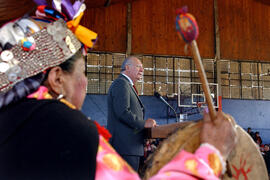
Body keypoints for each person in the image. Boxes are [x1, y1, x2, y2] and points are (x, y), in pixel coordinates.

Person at [0, 1, 237, 179]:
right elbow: (124, 113)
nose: (85, 83)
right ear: (56, 78)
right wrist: (211, 153)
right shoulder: (64, 128)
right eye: (84, 73)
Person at [107, 56, 157, 171]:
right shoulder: (121, 84)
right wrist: (144, 124)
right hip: (125, 147)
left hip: (130, 147)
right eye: (139, 66)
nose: (142, 70)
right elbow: (123, 112)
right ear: (127, 67)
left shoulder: (128, 86)